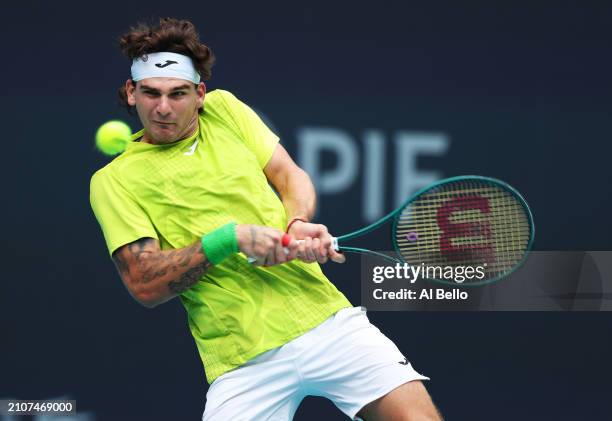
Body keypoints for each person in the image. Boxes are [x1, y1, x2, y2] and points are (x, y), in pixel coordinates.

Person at [90, 17, 442, 421]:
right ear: (131, 93)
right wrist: (232, 238)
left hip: (324, 320)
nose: (164, 108)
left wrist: (296, 222)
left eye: (178, 94)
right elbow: (144, 284)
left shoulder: (226, 110)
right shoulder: (113, 181)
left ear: (200, 94)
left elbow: (289, 175)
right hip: (240, 359)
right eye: (151, 93)